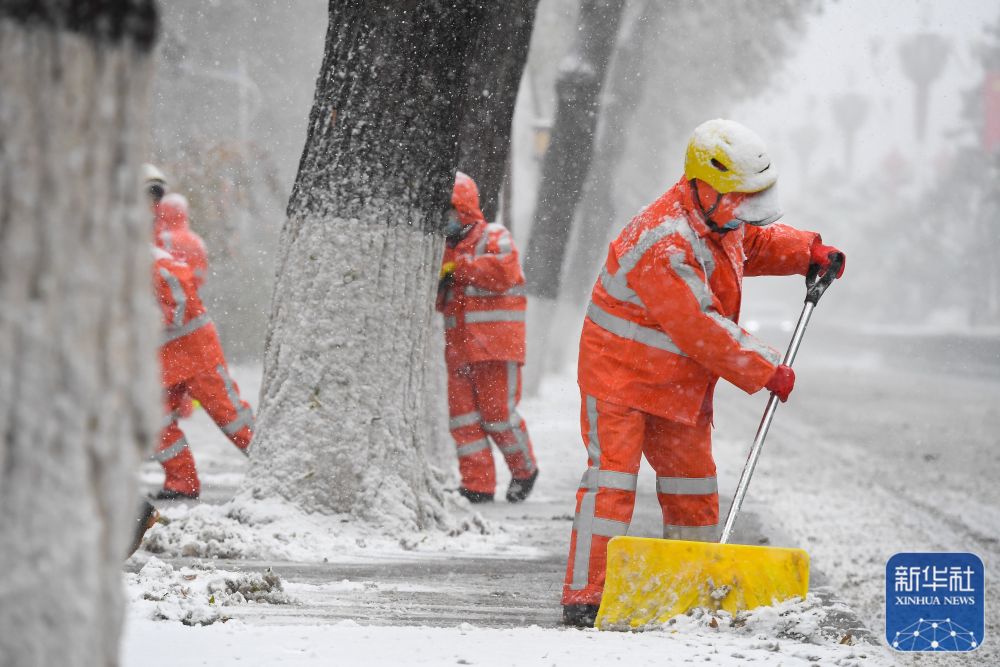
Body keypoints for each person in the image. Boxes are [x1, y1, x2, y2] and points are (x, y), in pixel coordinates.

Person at [560, 120, 846, 627]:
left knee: (693, 487)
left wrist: (807, 251)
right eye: (738, 198)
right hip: (619, 377)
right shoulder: (664, 243)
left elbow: (752, 245)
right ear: (705, 185)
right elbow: (701, 327)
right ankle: (586, 594)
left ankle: (690, 586)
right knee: (612, 485)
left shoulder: (720, 221)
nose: (744, 211)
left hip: (675, 381)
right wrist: (766, 369)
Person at [437, 172, 539, 504]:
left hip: (496, 348)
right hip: (459, 349)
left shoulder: (495, 236)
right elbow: (442, 301)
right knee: (464, 421)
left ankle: (524, 470)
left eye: (450, 211)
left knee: (499, 417)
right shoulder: (444, 252)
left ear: (463, 209)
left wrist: (458, 266)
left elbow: (502, 273)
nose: (446, 220)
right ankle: (477, 485)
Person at [151, 245, 254, 499]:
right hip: (165, 361)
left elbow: (177, 306)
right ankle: (181, 482)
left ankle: (271, 465)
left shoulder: (153, 264)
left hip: (198, 353)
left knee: (230, 416)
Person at [155, 192, 208, 290]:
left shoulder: (162, 238)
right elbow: (201, 273)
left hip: (168, 297)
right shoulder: (197, 241)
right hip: (192, 295)